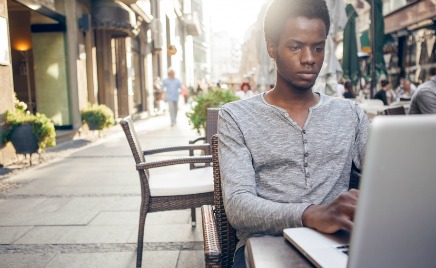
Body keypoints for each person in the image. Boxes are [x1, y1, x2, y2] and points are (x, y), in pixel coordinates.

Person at [217, 1, 370, 267]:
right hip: (265, 247)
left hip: (337, 244)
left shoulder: (350, 114)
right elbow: (238, 207)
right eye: (296, 47)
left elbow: (388, 181)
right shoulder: (236, 116)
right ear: (272, 47)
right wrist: (310, 214)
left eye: (318, 47)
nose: (310, 58)